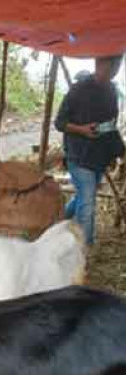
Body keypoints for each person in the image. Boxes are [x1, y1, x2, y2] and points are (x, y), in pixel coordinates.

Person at [56, 55, 125, 246]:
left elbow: (111, 124)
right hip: (79, 155)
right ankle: (82, 251)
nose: (113, 71)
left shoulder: (112, 90)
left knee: (83, 196)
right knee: (87, 205)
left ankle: (58, 220)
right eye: (111, 66)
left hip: (98, 156)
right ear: (99, 62)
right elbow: (59, 122)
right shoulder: (78, 90)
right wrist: (82, 130)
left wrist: (115, 152)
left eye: (118, 66)